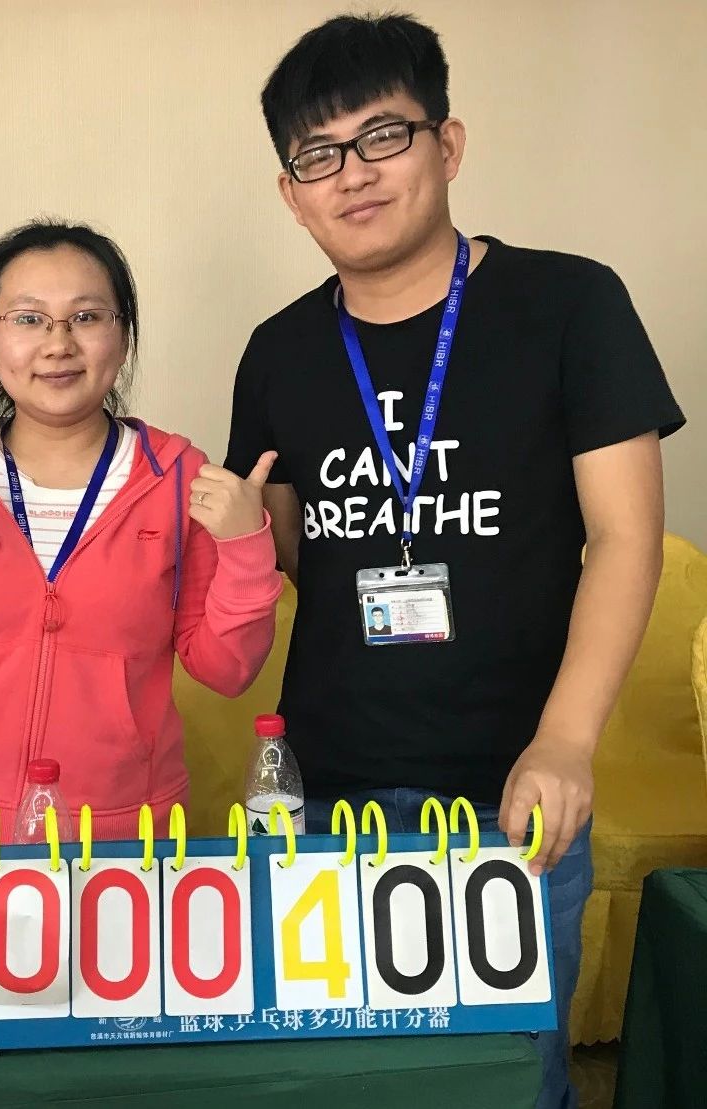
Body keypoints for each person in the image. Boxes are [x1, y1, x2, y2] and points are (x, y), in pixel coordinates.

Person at [226, 15, 683, 1108]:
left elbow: (625, 538)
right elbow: (285, 551)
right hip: (326, 789)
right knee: (339, 1079)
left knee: (507, 1078)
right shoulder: (278, 349)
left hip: (510, 788)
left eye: (382, 135)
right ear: (290, 192)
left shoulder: (569, 304)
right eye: (317, 155)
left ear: (449, 144)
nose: (353, 173)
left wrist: (565, 740)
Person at [0, 220, 283, 900]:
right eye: (28, 318)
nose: (58, 343)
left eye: (87, 317)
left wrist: (247, 546)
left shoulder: (178, 478)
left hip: (128, 846)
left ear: (123, 335)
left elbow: (228, 669)